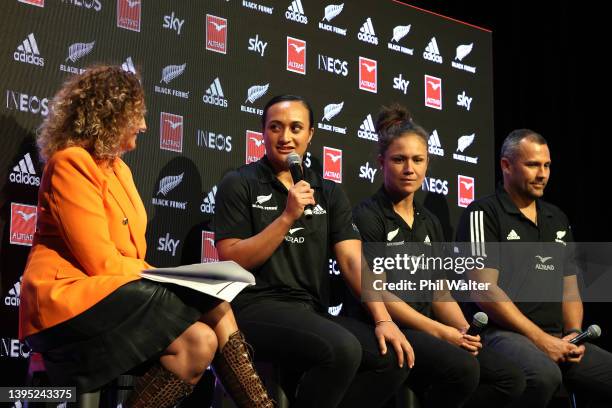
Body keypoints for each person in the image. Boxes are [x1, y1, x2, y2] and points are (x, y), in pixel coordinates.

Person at [18, 65, 273, 408]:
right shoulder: (70, 163)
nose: (144, 125)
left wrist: (166, 279)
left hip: (111, 293)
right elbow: (100, 262)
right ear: (111, 116)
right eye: (137, 115)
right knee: (213, 299)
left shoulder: (119, 168)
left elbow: (130, 255)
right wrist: (172, 281)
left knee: (198, 344)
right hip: (66, 301)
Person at [213, 94, 414, 408]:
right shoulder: (239, 183)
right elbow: (233, 258)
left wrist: (383, 319)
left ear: (310, 134)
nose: (286, 137)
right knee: (343, 348)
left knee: (393, 357)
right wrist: (287, 216)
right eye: (275, 128)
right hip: (255, 306)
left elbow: (351, 261)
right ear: (263, 133)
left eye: (295, 128)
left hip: (310, 311)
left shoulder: (329, 192)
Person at [349, 104, 525, 407]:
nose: (409, 169)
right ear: (381, 162)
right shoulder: (368, 216)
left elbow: (439, 293)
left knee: (511, 378)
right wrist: (442, 332)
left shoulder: (430, 221)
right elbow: (376, 293)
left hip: (429, 329)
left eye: (418, 160)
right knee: (463, 369)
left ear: (427, 163)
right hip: (390, 328)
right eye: (399, 160)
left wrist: (464, 332)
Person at [455, 129, 612, 407]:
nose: (542, 174)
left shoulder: (557, 217)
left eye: (547, 165)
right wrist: (540, 339)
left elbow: (569, 286)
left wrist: (574, 332)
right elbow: (484, 290)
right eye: (532, 165)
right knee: (543, 376)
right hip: (501, 334)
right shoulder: (483, 213)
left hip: (555, 336)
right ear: (506, 166)